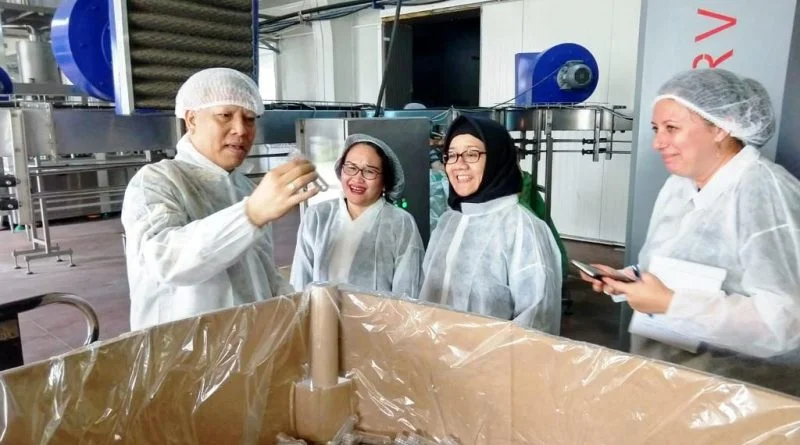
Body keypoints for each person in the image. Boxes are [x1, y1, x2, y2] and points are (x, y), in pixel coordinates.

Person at [580, 68, 800, 396]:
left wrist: (671, 303)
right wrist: (628, 280)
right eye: (656, 129)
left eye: (672, 128)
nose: (658, 143)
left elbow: (785, 320)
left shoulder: (764, 192)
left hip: (735, 389)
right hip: (665, 372)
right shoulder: (679, 186)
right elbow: (678, 265)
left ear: (722, 127)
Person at [122, 68, 320, 330]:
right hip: (182, 348)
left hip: (249, 343)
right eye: (225, 115)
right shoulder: (157, 181)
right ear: (192, 119)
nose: (241, 129)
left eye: (249, 119)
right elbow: (165, 260)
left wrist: (299, 311)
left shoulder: (245, 188)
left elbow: (261, 270)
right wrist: (250, 215)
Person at [419, 115, 563, 334]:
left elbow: (537, 322)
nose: (459, 165)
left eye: (471, 154)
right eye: (452, 155)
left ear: (497, 158)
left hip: (492, 356)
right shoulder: (449, 221)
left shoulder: (523, 229)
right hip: (433, 351)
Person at [290, 134, 424, 298]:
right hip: (320, 313)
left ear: (384, 182)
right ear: (341, 171)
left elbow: (407, 294)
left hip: (382, 315)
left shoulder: (400, 223)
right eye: (351, 168)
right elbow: (300, 283)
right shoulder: (317, 216)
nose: (357, 178)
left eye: (369, 171)